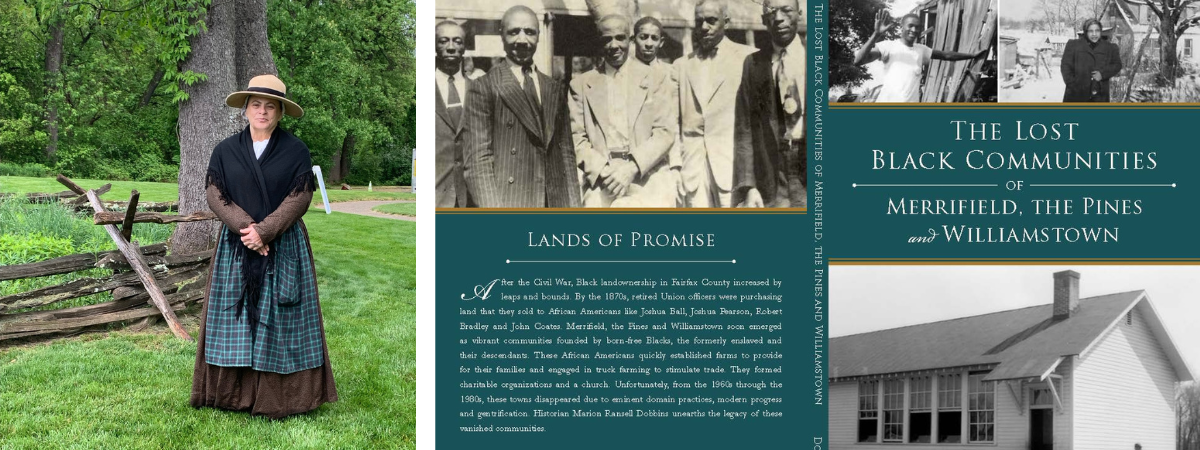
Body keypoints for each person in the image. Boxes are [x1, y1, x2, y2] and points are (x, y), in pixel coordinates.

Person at [192, 74, 337, 418]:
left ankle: (282, 398)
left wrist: (267, 231)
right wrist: (248, 230)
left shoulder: (295, 150)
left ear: (280, 113)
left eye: (270, 106)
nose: (262, 111)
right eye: (256, 104)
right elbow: (215, 195)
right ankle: (232, 395)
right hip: (237, 245)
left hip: (283, 244)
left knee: (282, 320)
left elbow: (299, 197)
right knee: (234, 320)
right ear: (245, 110)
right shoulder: (225, 151)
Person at [463, 5, 581, 208]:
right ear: (502, 35)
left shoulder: (554, 88)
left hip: (555, 202)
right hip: (511, 203)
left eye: (529, 32)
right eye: (513, 32)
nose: (522, 40)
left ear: (538, 35)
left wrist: (574, 207)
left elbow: (567, 155)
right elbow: (477, 162)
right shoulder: (484, 87)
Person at [569, 14, 677, 207]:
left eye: (620, 37)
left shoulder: (656, 78)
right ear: (598, 42)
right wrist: (603, 170)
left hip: (647, 174)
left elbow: (664, 132)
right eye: (606, 39)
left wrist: (633, 168)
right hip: (603, 178)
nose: (613, 45)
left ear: (630, 39)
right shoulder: (581, 85)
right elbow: (576, 138)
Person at [677, 0, 758, 207]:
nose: (704, 27)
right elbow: (673, 121)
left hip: (731, 170)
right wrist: (676, 168)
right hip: (693, 171)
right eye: (699, 21)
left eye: (711, 21)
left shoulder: (748, 58)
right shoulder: (681, 65)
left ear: (726, 22)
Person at [734, 0, 807, 208]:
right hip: (772, 174)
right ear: (764, 20)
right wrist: (749, 186)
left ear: (799, 14)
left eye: (786, 10)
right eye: (772, 12)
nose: (779, 18)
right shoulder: (753, 64)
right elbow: (744, 128)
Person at [853, 11, 983, 102]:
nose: (914, 30)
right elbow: (858, 61)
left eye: (917, 27)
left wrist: (972, 55)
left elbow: (946, 55)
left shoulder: (921, 50)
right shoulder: (888, 46)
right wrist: (876, 34)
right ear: (901, 27)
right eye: (910, 26)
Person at [435, 20, 472, 207]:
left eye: (457, 41)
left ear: (464, 47)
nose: (451, 47)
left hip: (471, 199)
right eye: (443, 41)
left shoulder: (478, 90)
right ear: (434, 45)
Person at [1061, 19, 1122, 102]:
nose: (1094, 34)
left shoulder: (1110, 47)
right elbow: (1065, 66)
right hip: (1076, 94)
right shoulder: (1074, 45)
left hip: (1100, 95)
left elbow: (1117, 65)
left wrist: (1102, 74)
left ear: (1101, 31)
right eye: (1090, 31)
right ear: (1086, 32)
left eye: (1097, 31)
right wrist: (1073, 85)